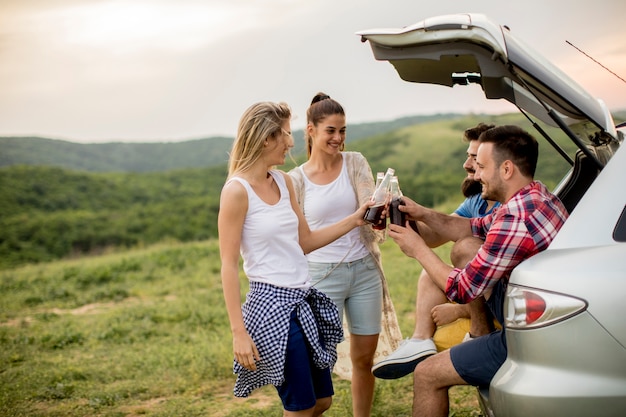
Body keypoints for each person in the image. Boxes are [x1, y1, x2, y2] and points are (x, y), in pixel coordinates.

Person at [387, 125, 569, 417]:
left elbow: (461, 289)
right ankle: (479, 330)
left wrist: (418, 249)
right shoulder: (534, 196)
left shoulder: (515, 219)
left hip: (528, 338)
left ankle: (481, 337)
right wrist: (420, 212)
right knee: (466, 245)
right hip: (532, 309)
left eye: (482, 166)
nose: (476, 173)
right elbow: (472, 227)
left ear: (506, 169)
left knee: (427, 374)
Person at [218, 101, 372, 416]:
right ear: (265, 138)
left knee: (322, 401)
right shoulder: (236, 191)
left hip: (303, 298)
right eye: (286, 134)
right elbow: (228, 266)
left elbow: (305, 241)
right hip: (272, 304)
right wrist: (238, 332)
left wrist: (355, 219)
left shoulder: (284, 182)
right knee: (301, 406)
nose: (291, 142)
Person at [289, 93, 401, 417]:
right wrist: (356, 216)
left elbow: (369, 205)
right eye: (331, 131)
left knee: (364, 360)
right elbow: (301, 241)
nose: (338, 138)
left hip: (365, 271)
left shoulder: (355, 162)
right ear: (310, 130)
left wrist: (380, 207)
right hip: (322, 278)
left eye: (343, 131)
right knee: (317, 362)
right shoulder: (296, 180)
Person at [372, 122, 499, 379]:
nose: (467, 164)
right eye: (468, 156)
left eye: (474, 158)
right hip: (479, 287)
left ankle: (479, 330)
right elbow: (438, 233)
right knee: (429, 273)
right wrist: (407, 216)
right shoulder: (477, 200)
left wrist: (459, 310)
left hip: (499, 291)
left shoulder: (507, 205)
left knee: (465, 248)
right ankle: (420, 341)